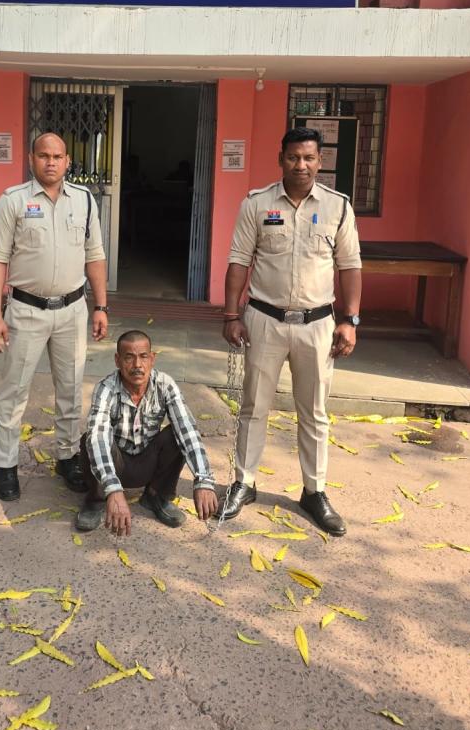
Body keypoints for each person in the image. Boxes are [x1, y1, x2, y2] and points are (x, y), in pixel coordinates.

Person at [220, 126, 362, 536]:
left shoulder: (338, 207)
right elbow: (239, 261)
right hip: (264, 320)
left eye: (309, 158)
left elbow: (350, 266)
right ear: (281, 159)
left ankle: (314, 492)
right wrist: (231, 315)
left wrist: (350, 320)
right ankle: (244, 483)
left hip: (317, 325)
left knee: (314, 412)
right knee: (254, 405)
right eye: (294, 157)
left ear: (320, 161)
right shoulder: (257, 204)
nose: (301, 165)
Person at [0, 132, 109, 501]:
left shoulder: (84, 200)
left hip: (72, 311)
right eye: (43, 155)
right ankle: (6, 463)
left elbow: (95, 255)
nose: (50, 162)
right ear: (31, 159)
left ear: (67, 161)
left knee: (70, 389)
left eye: (57, 156)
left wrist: (101, 306)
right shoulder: (13, 201)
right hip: (26, 311)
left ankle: (68, 457)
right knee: (14, 390)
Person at [76, 330, 217, 535]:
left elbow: (187, 429)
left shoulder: (165, 385)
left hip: (147, 461)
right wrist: (113, 489)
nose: (137, 365)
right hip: (116, 464)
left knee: (176, 435)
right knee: (91, 440)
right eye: (129, 358)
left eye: (143, 357)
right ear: (117, 360)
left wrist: (204, 480)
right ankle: (97, 499)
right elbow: (99, 436)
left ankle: (155, 495)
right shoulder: (106, 389)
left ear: (152, 359)